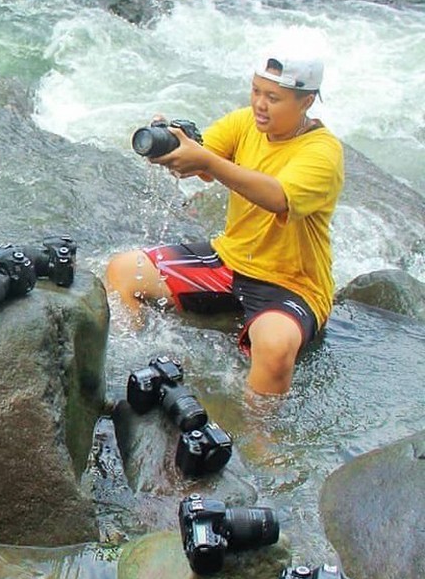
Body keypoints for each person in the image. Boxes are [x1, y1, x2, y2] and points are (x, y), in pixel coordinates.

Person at [105, 51, 344, 395]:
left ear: (306, 102)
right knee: (123, 272)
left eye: (273, 98)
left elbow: (277, 196)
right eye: (256, 91)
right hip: (231, 260)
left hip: (291, 283)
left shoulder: (323, 151)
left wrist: (208, 162)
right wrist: (171, 145)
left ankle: (260, 442)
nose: (260, 104)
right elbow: (200, 160)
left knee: (275, 350)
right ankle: (134, 368)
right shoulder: (244, 123)